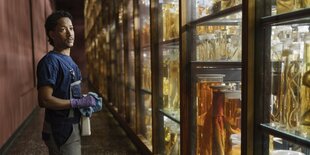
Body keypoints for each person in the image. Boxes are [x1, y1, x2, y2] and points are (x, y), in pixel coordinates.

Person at [37, 10, 95, 155]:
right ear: (52, 34)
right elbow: (44, 100)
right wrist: (75, 103)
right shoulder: (50, 62)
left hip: (71, 127)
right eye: (63, 29)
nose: (70, 34)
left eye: (71, 28)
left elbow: (66, 92)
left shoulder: (69, 61)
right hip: (59, 129)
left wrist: (85, 101)